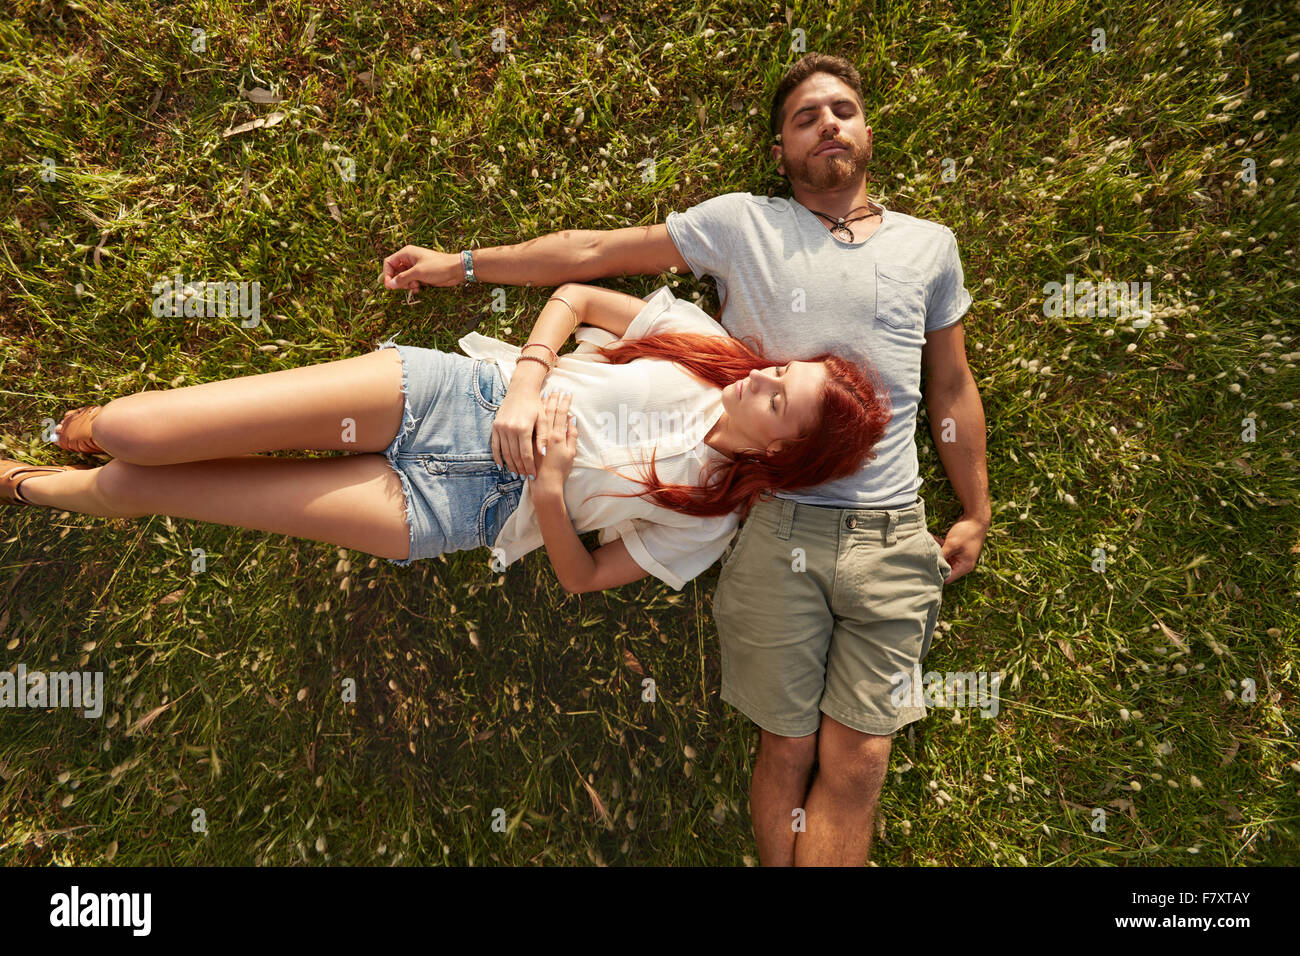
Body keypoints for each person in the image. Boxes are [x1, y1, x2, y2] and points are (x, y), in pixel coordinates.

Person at [378, 53, 990, 865]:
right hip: (776, 523)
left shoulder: (929, 247)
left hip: (892, 531)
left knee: (864, 757)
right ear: (781, 153)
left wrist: (976, 509)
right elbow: (593, 252)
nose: (828, 124)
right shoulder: (745, 222)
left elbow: (950, 384)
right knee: (787, 747)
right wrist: (461, 265)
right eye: (806, 118)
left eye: (842, 109)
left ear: (868, 131)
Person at [2, 282, 891, 597]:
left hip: (455, 507)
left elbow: (581, 578)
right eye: (786, 369)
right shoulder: (703, 342)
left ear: (784, 455)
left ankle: (32, 486)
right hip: (453, 396)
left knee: (155, 487)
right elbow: (578, 296)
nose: (765, 376)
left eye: (782, 400)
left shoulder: (706, 525)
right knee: (133, 430)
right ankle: (75, 429)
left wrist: (551, 489)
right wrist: (532, 379)